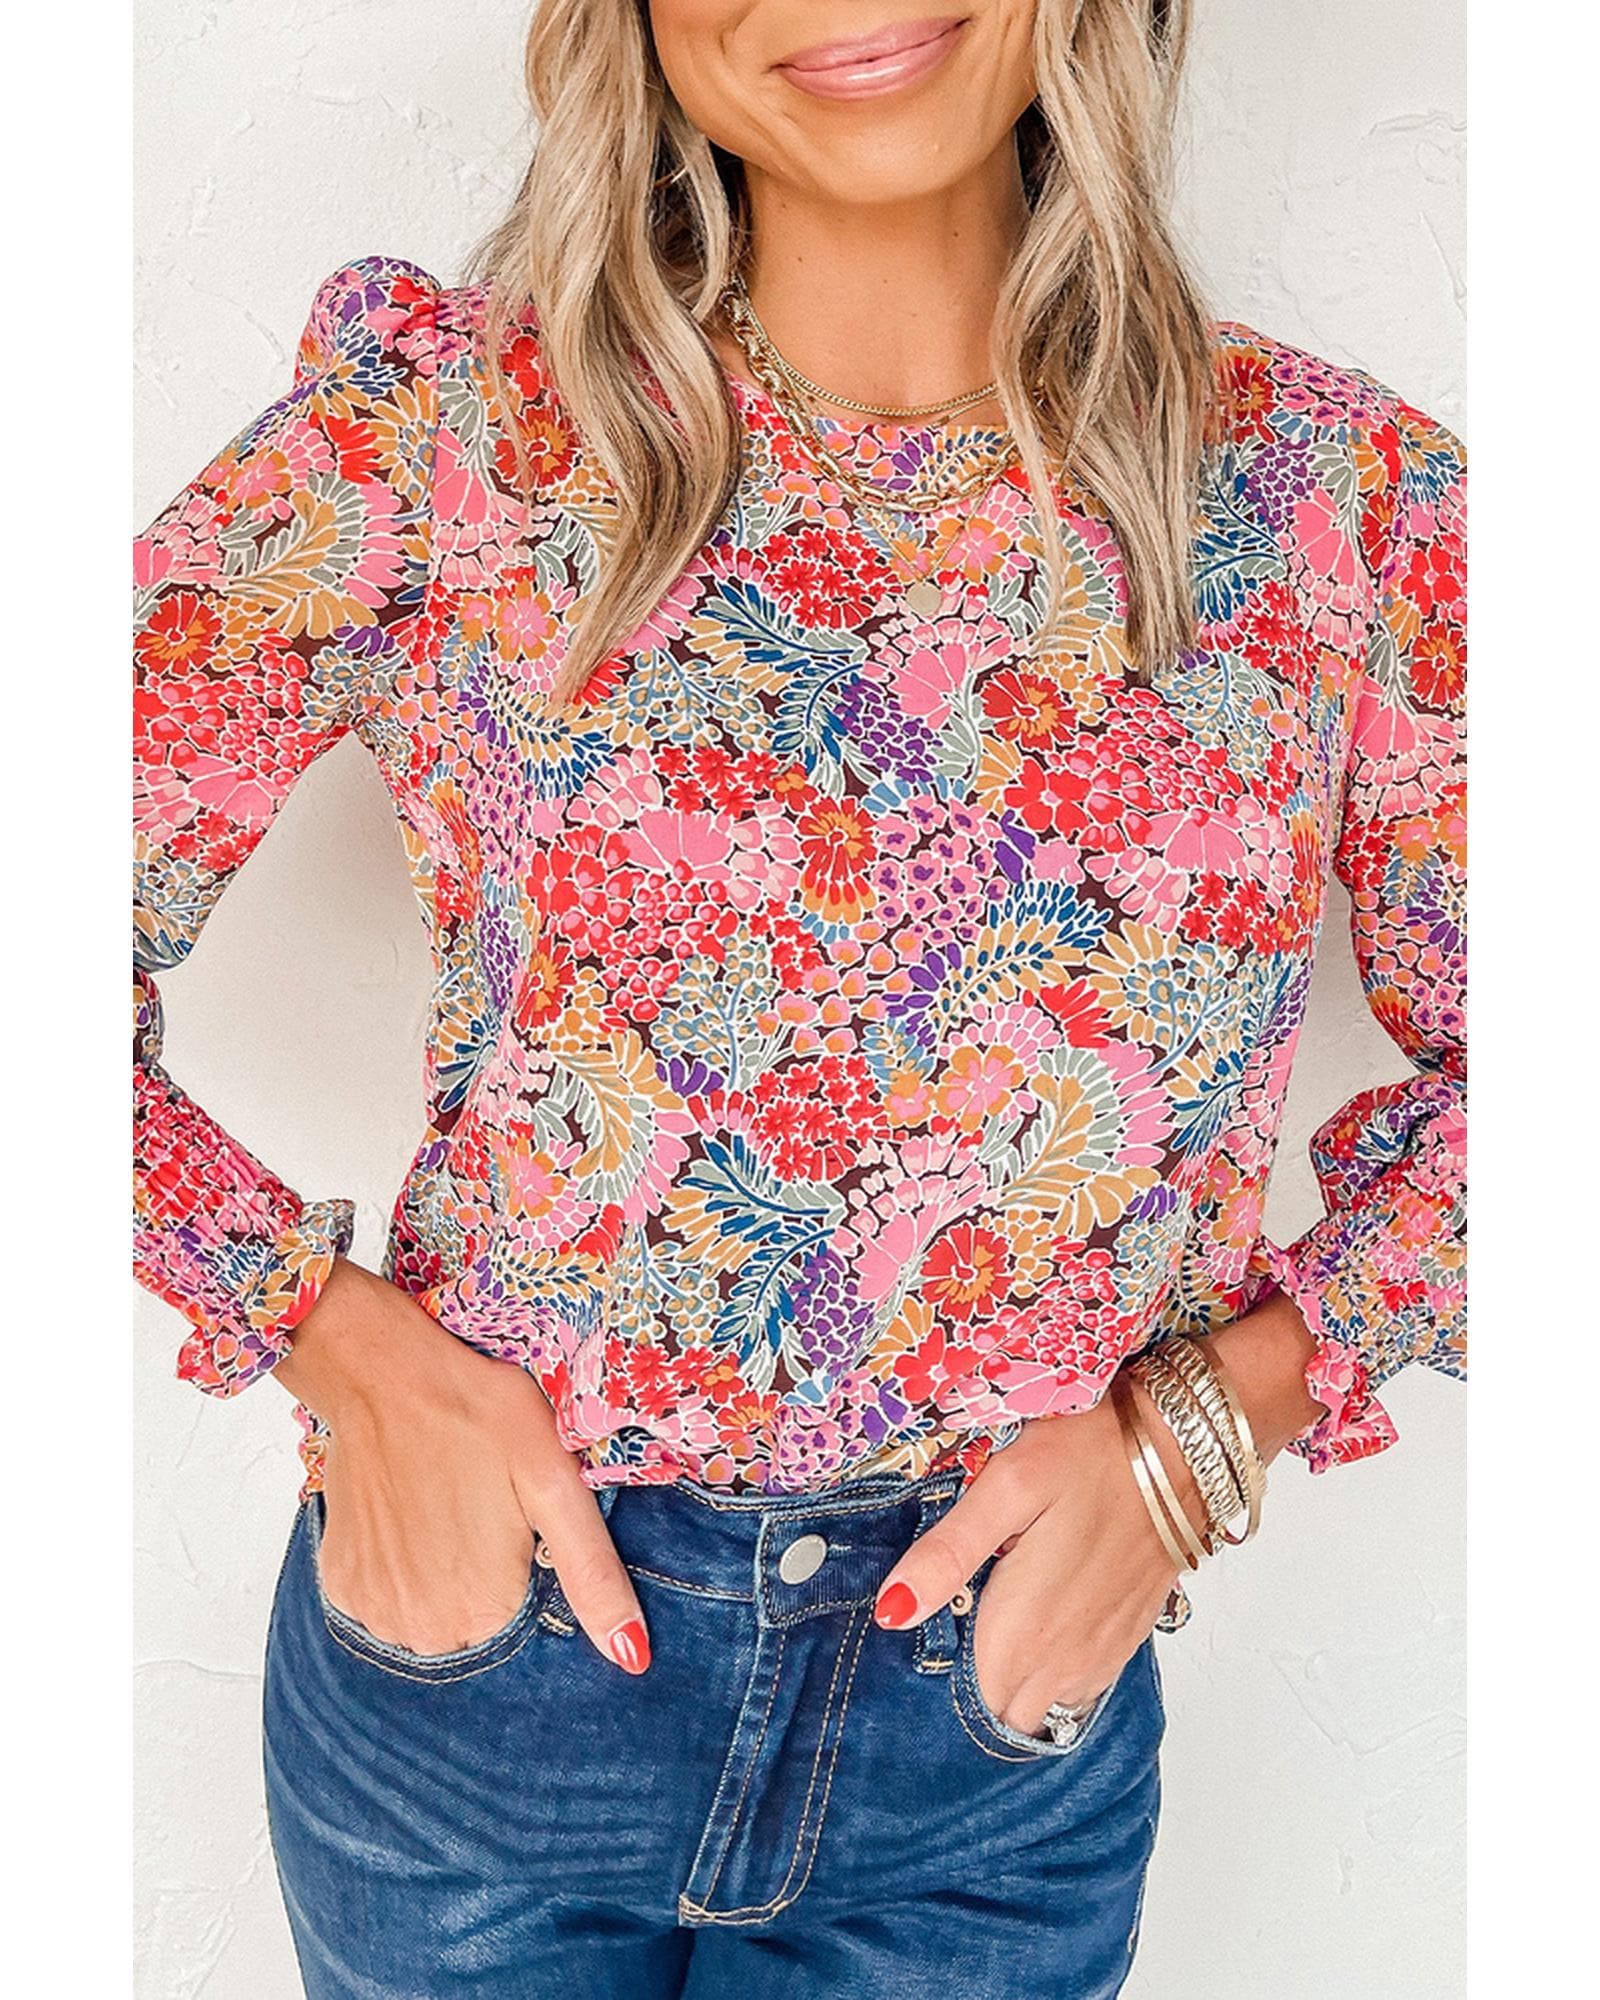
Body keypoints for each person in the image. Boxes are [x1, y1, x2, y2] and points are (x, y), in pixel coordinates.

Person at [132, 2, 1466, 1993]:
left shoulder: (1336, 505)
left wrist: (1212, 1425)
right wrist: (324, 1336)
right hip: (480, 1698)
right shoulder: (448, 441)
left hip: (990, 1755)